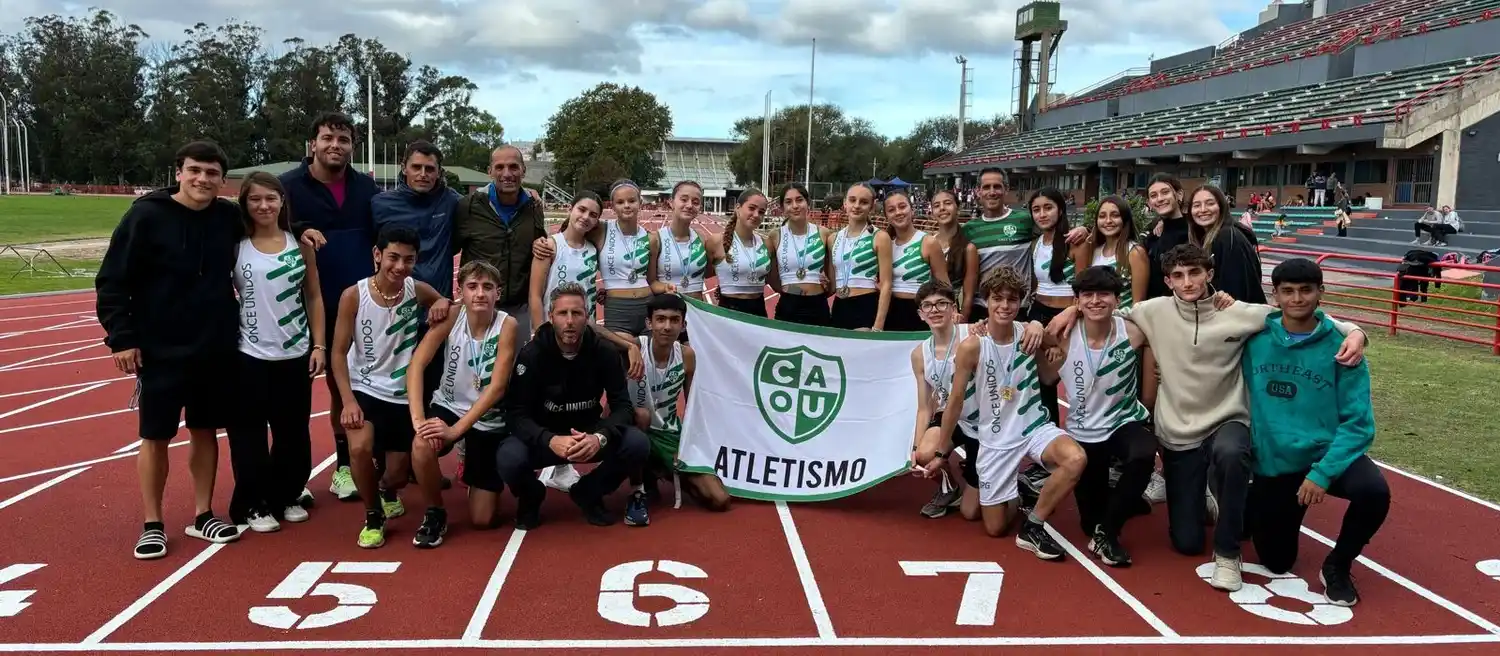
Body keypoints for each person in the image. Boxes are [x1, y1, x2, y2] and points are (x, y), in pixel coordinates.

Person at [1047, 243, 1368, 591]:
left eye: (1195, 273)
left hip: (1227, 419)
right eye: (1179, 276)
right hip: (1178, 430)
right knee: (1186, 543)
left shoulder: (1239, 312)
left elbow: (1299, 313)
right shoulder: (1152, 311)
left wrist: (1354, 330)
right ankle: (1211, 500)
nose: (1187, 282)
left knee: (1232, 452)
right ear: (1168, 281)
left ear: (1209, 274)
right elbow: (1101, 309)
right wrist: (1068, 312)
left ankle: (1228, 554)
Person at [96, 140, 245, 559]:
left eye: (212, 173)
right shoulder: (146, 215)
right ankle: (152, 522)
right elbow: (112, 280)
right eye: (195, 170)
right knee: (155, 435)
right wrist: (121, 338)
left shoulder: (227, 217)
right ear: (178, 171)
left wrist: (303, 227)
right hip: (159, 348)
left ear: (221, 180)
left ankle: (203, 514)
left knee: (205, 430)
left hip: (214, 345)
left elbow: (272, 219)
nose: (202, 179)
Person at [1242, 258, 1388, 607]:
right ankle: (1250, 503)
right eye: (1288, 291)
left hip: (1323, 457)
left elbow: (1358, 424)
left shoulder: (1343, 349)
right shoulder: (1253, 339)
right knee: (1276, 562)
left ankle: (1338, 564)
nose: (1297, 299)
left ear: (1321, 293)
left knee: (1374, 492)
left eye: (1306, 290)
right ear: (1274, 296)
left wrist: (1322, 474)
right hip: (1275, 463)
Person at [939, 267, 1082, 560]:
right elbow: (954, 401)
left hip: (1033, 427)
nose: (1005, 306)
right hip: (994, 439)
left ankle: (1033, 525)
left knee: (1076, 458)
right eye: (997, 299)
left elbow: (1050, 370)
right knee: (994, 528)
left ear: (1020, 302)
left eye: (1012, 300)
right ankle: (1017, 493)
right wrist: (942, 451)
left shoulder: (1029, 333)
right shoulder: (972, 347)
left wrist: (1042, 333)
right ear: (986, 302)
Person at [329, 225, 453, 549]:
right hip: (364, 388)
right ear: (377, 255)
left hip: (402, 395)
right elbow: (338, 353)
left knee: (399, 475)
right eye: (393, 257)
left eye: (408, 260)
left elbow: (442, 301)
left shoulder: (416, 290)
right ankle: (373, 515)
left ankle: (386, 490)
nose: (400, 267)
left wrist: (441, 302)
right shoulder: (353, 296)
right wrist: (347, 401)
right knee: (358, 447)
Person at [283, 111, 383, 503]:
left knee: (348, 390)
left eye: (343, 140)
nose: (335, 146)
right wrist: (296, 230)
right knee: (292, 397)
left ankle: (346, 467)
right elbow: (257, 226)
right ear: (313, 143)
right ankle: (292, 477)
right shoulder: (288, 187)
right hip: (300, 306)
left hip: (358, 307)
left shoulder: (366, 189)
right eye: (328, 138)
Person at [498, 282, 651, 529]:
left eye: (576, 313)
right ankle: (531, 496)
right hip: (545, 436)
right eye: (562, 313)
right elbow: (516, 414)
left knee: (637, 443)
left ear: (588, 317)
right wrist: (549, 439)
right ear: (551, 317)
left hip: (587, 433)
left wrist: (599, 437)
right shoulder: (532, 355)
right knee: (508, 457)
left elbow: (622, 406)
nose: (569, 321)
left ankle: (589, 492)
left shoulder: (604, 351)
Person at [225, 172, 327, 534]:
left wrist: (319, 345)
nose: (264, 206)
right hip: (249, 355)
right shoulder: (236, 244)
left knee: (293, 433)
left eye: (271, 198)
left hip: (295, 353)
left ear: (283, 201)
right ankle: (253, 502)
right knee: (249, 435)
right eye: (255, 199)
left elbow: (314, 295)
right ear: (245, 204)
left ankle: (288, 494)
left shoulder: (300, 244)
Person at [405, 261, 520, 547]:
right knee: (422, 443)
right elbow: (417, 365)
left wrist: (456, 433)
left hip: (487, 414)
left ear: (498, 293)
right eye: (472, 287)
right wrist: (419, 420)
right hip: (449, 405)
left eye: (487, 287)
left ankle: (468, 458)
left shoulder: (507, 325)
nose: (479, 293)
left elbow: (497, 389)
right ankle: (435, 511)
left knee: (483, 521)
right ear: (461, 292)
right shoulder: (452, 316)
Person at [1052, 266, 1157, 567]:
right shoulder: (1062, 333)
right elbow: (1040, 360)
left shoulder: (1134, 331)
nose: (1096, 301)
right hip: (1083, 429)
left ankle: (1107, 533)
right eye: (1088, 295)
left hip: (1123, 421)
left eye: (1104, 294)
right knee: (1088, 519)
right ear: (1077, 300)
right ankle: (1118, 504)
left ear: (1116, 298)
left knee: (1142, 453)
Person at [629, 294, 731, 512]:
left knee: (719, 499)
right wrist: (628, 347)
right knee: (641, 416)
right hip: (637, 428)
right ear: (649, 323)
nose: (667, 326)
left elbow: (692, 405)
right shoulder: (636, 347)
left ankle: (671, 472)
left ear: (683, 325)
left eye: (674, 320)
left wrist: (687, 443)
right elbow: (595, 330)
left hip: (670, 432)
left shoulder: (686, 355)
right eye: (660, 319)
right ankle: (641, 483)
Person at [909, 281, 980, 519]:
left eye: (941, 303)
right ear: (920, 315)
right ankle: (949, 488)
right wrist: (916, 448)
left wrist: (1032, 324)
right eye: (927, 306)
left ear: (953, 308)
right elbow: (924, 407)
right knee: (925, 455)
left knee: (972, 514)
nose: (934, 310)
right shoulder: (919, 354)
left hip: (984, 419)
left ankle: (1009, 483)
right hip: (951, 418)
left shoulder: (973, 333)